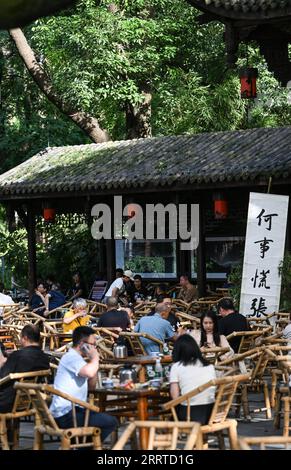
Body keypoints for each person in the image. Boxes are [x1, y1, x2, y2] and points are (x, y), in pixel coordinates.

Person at [49, 326, 118, 441]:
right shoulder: (71, 357)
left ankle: (81, 445)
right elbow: (89, 372)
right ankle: (84, 446)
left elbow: (91, 387)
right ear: (82, 344)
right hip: (66, 414)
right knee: (110, 422)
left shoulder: (78, 359)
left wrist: (92, 362)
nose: (94, 348)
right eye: (92, 345)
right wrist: (95, 358)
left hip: (74, 410)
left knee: (105, 419)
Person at [0, 324, 50, 412]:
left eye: (20, 337)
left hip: (8, 401)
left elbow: (2, 377)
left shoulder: (17, 356)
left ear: (25, 338)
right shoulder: (45, 358)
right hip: (31, 400)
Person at [170, 334, 216, 424]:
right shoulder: (209, 365)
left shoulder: (176, 367)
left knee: (170, 410)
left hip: (189, 414)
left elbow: (175, 397)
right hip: (211, 413)